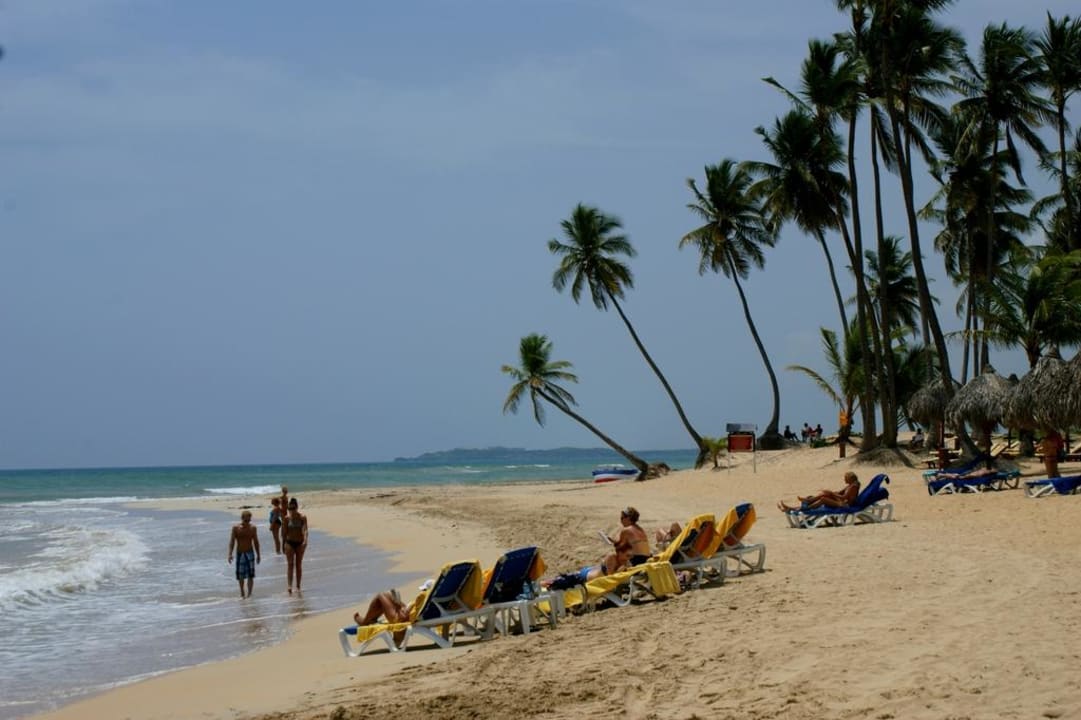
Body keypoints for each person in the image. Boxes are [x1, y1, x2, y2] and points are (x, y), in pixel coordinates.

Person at [777, 471, 860, 512]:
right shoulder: (850, 485)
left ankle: (804, 508)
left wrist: (831, 493)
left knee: (824, 499)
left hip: (845, 505)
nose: (844, 479)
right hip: (842, 502)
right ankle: (803, 503)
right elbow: (839, 493)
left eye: (845, 478)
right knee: (824, 494)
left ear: (850, 478)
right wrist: (830, 492)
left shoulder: (853, 486)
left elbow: (844, 497)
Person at [601, 507, 651, 574]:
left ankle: (611, 580)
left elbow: (619, 548)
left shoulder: (626, 530)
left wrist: (612, 542)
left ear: (628, 518)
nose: (621, 521)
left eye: (622, 518)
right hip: (646, 560)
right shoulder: (640, 529)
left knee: (611, 557)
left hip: (637, 562)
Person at [227, 510, 261, 598]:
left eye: (249, 520)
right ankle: (242, 592)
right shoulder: (236, 528)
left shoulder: (253, 528)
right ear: (242, 519)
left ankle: (249, 594)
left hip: (250, 552)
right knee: (240, 575)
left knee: (251, 574)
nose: (247, 522)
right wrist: (230, 554)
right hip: (240, 553)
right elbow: (232, 541)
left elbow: (256, 542)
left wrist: (258, 555)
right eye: (246, 520)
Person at [282, 497, 308, 593]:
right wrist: (283, 544)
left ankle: (298, 585)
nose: (291, 511)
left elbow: (305, 530)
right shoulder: (286, 518)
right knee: (290, 564)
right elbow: (284, 532)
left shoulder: (302, 517)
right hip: (289, 542)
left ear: (297, 508)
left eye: (293, 508)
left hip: (300, 543)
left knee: (298, 564)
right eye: (290, 509)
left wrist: (305, 540)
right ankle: (289, 586)